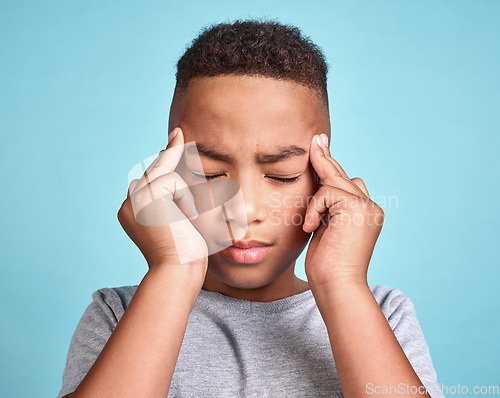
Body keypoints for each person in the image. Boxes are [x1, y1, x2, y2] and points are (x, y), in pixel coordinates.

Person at [57, 20, 444, 398]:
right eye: (209, 174)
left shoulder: (381, 313)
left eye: (282, 175)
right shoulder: (117, 313)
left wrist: (341, 282)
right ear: (168, 173)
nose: (242, 210)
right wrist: (172, 271)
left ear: (324, 179)